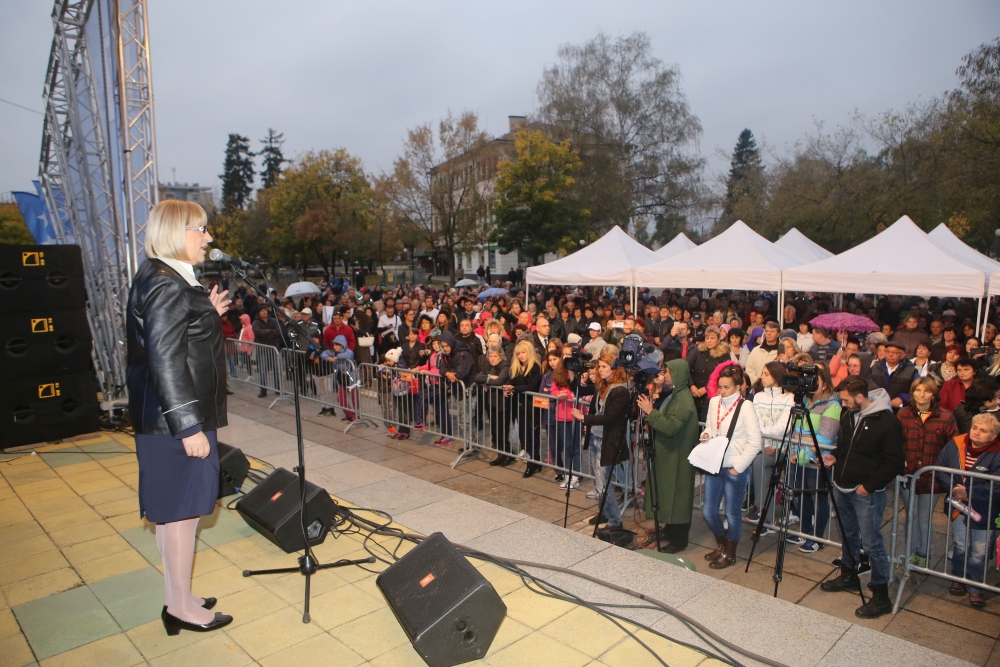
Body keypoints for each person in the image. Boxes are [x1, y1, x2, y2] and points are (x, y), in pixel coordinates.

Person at [125, 200, 233, 634]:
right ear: (177, 232)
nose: (208, 238)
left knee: (175, 515)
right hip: (175, 421)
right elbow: (166, 359)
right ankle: (181, 609)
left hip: (164, 417)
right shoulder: (168, 285)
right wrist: (188, 426)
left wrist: (207, 312)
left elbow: (175, 337)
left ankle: (178, 598)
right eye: (200, 229)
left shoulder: (165, 277)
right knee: (182, 515)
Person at [820, 376, 904, 619]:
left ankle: (880, 596)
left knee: (873, 543)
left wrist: (869, 486)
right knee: (848, 534)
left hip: (866, 492)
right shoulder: (850, 415)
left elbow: (894, 462)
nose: (842, 404)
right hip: (843, 486)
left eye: (845, 400)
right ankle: (848, 574)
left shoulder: (887, 422)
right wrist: (834, 456)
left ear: (859, 397)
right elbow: (845, 445)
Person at [698, 365, 762, 569]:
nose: (721, 391)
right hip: (715, 463)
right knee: (709, 510)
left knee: (732, 512)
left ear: (737, 387)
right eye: (719, 386)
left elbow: (755, 442)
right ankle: (722, 544)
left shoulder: (745, 407)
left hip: (734, 465)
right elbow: (710, 425)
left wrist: (739, 467)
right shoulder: (714, 402)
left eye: (726, 387)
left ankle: (731, 553)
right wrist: (706, 434)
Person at [935, 413, 1000, 606]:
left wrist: (968, 492)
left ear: (993, 436)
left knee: (979, 550)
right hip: (958, 509)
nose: (977, 433)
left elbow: (997, 486)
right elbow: (941, 469)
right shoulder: (955, 444)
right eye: (975, 428)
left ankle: (975, 587)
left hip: (985, 512)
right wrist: (954, 490)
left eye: (983, 431)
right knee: (961, 544)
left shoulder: (997, 453)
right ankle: (959, 578)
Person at [637, 359, 700, 552]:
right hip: (670, 453)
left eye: (669, 372)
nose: (666, 375)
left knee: (678, 498)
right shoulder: (676, 394)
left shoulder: (683, 400)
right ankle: (670, 531)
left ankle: (679, 540)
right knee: (669, 495)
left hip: (678, 456)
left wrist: (651, 412)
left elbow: (671, 427)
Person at [897, 377, 956, 567]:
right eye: (918, 390)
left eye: (927, 391)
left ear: (933, 394)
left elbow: (952, 448)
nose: (922, 395)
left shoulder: (946, 417)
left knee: (924, 517)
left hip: (933, 477)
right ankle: (910, 552)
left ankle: (923, 553)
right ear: (912, 392)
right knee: (910, 515)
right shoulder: (903, 414)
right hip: (908, 474)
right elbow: (895, 442)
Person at [572, 349, 631, 532]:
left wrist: (584, 418)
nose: (600, 370)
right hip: (596, 438)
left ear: (614, 369)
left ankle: (615, 521)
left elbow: (610, 417)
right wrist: (574, 373)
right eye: (599, 367)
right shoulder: (602, 386)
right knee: (598, 483)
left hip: (608, 441)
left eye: (604, 367)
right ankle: (604, 511)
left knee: (604, 484)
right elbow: (579, 389)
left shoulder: (621, 390)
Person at [786, 363, 841, 552]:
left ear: (825, 384)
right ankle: (805, 530)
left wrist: (803, 454)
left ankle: (817, 537)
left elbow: (825, 438)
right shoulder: (803, 402)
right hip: (798, 458)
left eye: (815, 380)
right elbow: (794, 431)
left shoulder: (832, 406)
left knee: (818, 498)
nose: (810, 383)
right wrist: (792, 451)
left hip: (816, 461)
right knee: (801, 497)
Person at [747, 362, 795, 524]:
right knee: (762, 466)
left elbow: (784, 425)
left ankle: (760, 506)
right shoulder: (759, 397)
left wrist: (771, 444)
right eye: (762, 373)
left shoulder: (789, 397)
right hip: (762, 445)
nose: (762, 377)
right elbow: (754, 422)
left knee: (760, 462)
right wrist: (764, 444)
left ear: (776, 375)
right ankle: (768, 519)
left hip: (781, 447)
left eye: (766, 374)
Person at [504, 340, 543, 476]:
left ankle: (532, 464)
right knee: (523, 436)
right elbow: (511, 379)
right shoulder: (516, 367)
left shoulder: (535, 368)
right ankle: (535, 462)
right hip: (519, 406)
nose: (521, 356)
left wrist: (513, 388)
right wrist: (507, 386)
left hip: (532, 407)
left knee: (532, 436)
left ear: (529, 352)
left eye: (523, 352)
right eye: (518, 353)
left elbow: (531, 386)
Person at [687, 325, 731, 421]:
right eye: (707, 338)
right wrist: (691, 385)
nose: (709, 340)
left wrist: (707, 389)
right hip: (694, 395)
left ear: (719, 339)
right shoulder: (699, 351)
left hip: (712, 397)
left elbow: (724, 376)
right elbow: (687, 368)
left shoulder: (724, 354)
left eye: (712, 338)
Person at [869, 341, 918, 409]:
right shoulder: (876, 367)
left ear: (902, 355)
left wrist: (902, 398)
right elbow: (868, 386)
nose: (890, 355)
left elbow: (917, 390)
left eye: (894, 352)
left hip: (899, 410)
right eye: (888, 352)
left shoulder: (910, 371)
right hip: (877, 408)